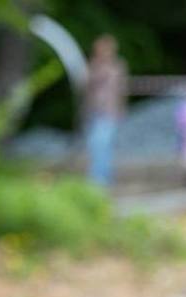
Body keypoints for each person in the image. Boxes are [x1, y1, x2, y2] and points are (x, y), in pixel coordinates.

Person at [84, 34, 128, 188]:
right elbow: (88, 87)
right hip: (95, 111)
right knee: (96, 145)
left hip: (110, 112)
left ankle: (101, 179)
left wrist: (121, 111)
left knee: (103, 144)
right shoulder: (94, 66)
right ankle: (100, 178)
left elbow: (121, 91)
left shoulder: (118, 66)